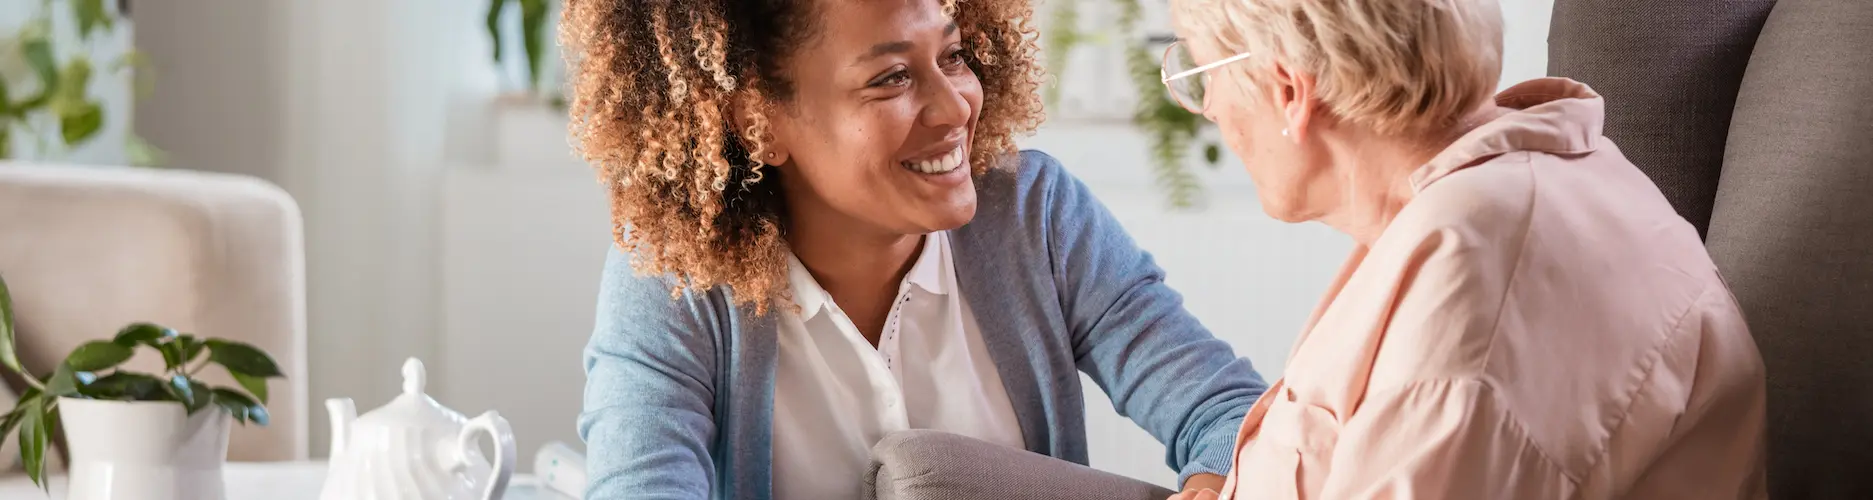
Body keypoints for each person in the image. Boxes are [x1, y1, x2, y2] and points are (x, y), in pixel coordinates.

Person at [558, 0, 1267, 498]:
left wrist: (1214, 488)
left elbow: (1234, 415)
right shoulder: (674, 277)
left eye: (952, 56)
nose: (956, 105)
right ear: (758, 120)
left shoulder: (1035, 217)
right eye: (891, 77)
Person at [1156, 0, 1768, 498]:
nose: (1207, 107)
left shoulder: (1475, 273)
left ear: (1289, 90)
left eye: (1203, 76)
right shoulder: (1501, 195)